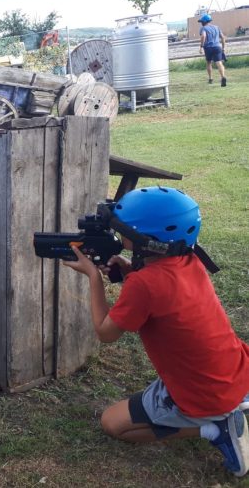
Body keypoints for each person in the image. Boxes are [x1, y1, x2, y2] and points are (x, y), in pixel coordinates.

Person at [62, 186, 249, 477]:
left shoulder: (144, 284)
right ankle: (232, 401)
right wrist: (128, 269)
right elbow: (163, 292)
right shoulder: (189, 260)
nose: (117, 235)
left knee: (114, 424)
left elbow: (105, 333)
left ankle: (215, 428)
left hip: (202, 389)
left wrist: (93, 278)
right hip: (231, 368)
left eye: (121, 230)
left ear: (146, 240)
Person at [198, 14, 227, 86]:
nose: (201, 23)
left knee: (208, 62)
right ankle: (222, 76)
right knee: (219, 62)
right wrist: (223, 48)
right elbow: (223, 37)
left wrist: (201, 46)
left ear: (204, 21)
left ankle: (210, 78)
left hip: (208, 48)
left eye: (201, 21)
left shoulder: (203, 28)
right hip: (217, 47)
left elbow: (203, 36)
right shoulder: (216, 27)